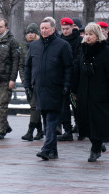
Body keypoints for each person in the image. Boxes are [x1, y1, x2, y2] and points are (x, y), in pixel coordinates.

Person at [24, 17, 74, 160]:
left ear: (53, 29)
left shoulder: (62, 45)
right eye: (42, 28)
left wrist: (66, 85)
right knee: (46, 120)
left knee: (52, 119)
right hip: (39, 88)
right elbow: (28, 66)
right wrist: (28, 84)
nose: (44, 31)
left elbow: (69, 67)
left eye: (47, 28)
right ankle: (53, 151)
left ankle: (46, 149)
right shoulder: (34, 46)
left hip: (56, 88)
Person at [73, 23, 109, 162]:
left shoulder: (106, 51)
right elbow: (78, 71)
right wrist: (74, 90)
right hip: (85, 93)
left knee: (99, 122)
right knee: (86, 121)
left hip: (101, 94)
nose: (87, 37)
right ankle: (96, 143)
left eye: (90, 34)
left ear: (97, 35)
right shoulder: (83, 50)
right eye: (86, 34)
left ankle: (96, 148)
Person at [57, 17, 82, 142]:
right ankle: (67, 130)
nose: (65, 31)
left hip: (76, 77)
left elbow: (79, 58)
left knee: (77, 106)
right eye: (63, 29)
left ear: (72, 27)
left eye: (67, 29)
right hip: (62, 77)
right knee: (64, 106)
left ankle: (81, 128)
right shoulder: (60, 40)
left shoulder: (79, 40)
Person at [19, 23, 44, 141]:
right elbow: (22, 66)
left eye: (32, 32)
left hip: (38, 81)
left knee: (34, 106)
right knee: (34, 106)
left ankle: (30, 131)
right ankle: (39, 130)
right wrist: (25, 81)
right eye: (28, 33)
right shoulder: (24, 48)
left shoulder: (40, 46)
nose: (30, 35)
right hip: (28, 82)